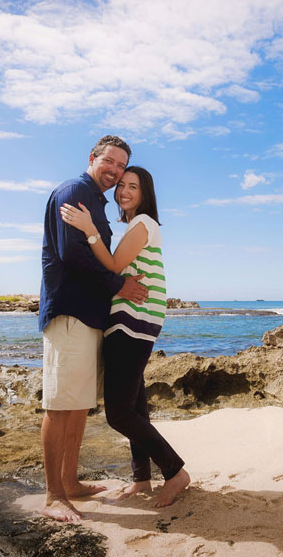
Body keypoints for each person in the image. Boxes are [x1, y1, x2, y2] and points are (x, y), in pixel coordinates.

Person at [60, 165, 191, 508]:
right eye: (121, 186)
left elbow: (114, 266)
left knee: (118, 413)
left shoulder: (143, 224)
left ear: (145, 193)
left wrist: (89, 230)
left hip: (134, 321)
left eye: (133, 186)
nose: (124, 191)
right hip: (131, 320)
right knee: (134, 405)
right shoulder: (137, 225)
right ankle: (141, 478)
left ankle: (175, 471)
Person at [38, 135, 149, 522]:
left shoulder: (96, 201)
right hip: (70, 312)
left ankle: (70, 482)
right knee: (60, 404)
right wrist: (120, 285)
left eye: (121, 167)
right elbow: (72, 254)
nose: (115, 171)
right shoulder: (74, 191)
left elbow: (100, 254)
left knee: (78, 405)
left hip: (91, 316)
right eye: (110, 162)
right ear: (93, 158)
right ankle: (54, 495)